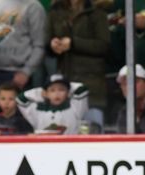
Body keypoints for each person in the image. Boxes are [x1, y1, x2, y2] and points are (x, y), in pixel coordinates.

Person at [0, 0, 47, 126]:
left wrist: (26, 72)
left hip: (17, 77)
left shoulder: (33, 7)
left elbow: (39, 45)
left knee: (18, 127)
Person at [46, 0, 110, 128]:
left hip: (91, 86)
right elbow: (47, 42)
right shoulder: (56, 11)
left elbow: (104, 46)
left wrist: (73, 43)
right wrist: (52, 46)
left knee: (92, 133)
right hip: (65, 85)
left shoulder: (96, 11)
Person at [17, 73, 89, 134]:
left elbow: (82, 89)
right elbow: (20, 99)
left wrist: (68, 90)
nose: (57, 94)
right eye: (52, 90)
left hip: (69, 147)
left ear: (68, 92)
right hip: (43, 147)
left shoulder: (75, 107)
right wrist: (40, 93)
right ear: (45, 93)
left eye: (61, 89)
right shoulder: (37, 109)